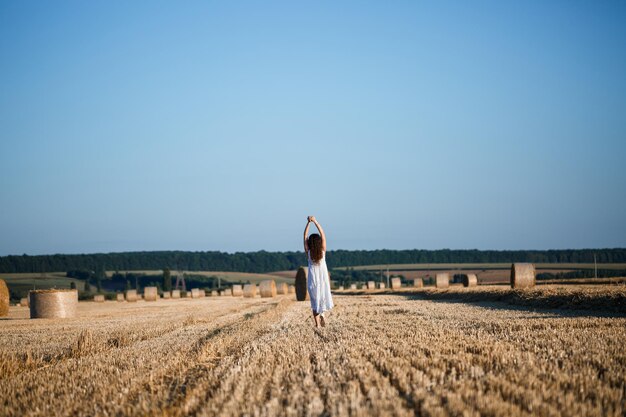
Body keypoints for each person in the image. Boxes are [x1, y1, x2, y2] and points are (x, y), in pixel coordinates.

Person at [303, 215, 334, 328]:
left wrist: (308, 223)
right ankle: (323, 315)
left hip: (313, 279)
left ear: (310, 243)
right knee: (322, 297)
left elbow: (305, 236)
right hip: (323, 278)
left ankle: (317, 324)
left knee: (314, 301)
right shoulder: (322, 251)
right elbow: (323, 235)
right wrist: (315, 221)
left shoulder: (309, 253)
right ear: (319, 242)